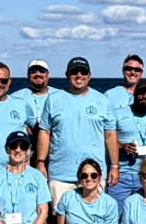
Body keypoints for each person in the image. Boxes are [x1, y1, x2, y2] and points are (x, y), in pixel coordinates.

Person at [37, 57, 117, 200]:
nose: (79, 76)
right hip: (60, 175)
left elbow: (110, 135)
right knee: (60, 220)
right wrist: (41, 162)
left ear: (89, 76)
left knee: (93, 219)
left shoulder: (103, 101)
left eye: (83, 72)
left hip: (93, 175)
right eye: (75, 72)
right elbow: (45, 132)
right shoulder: (53, 100)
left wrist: (115, 166)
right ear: (67, 74)